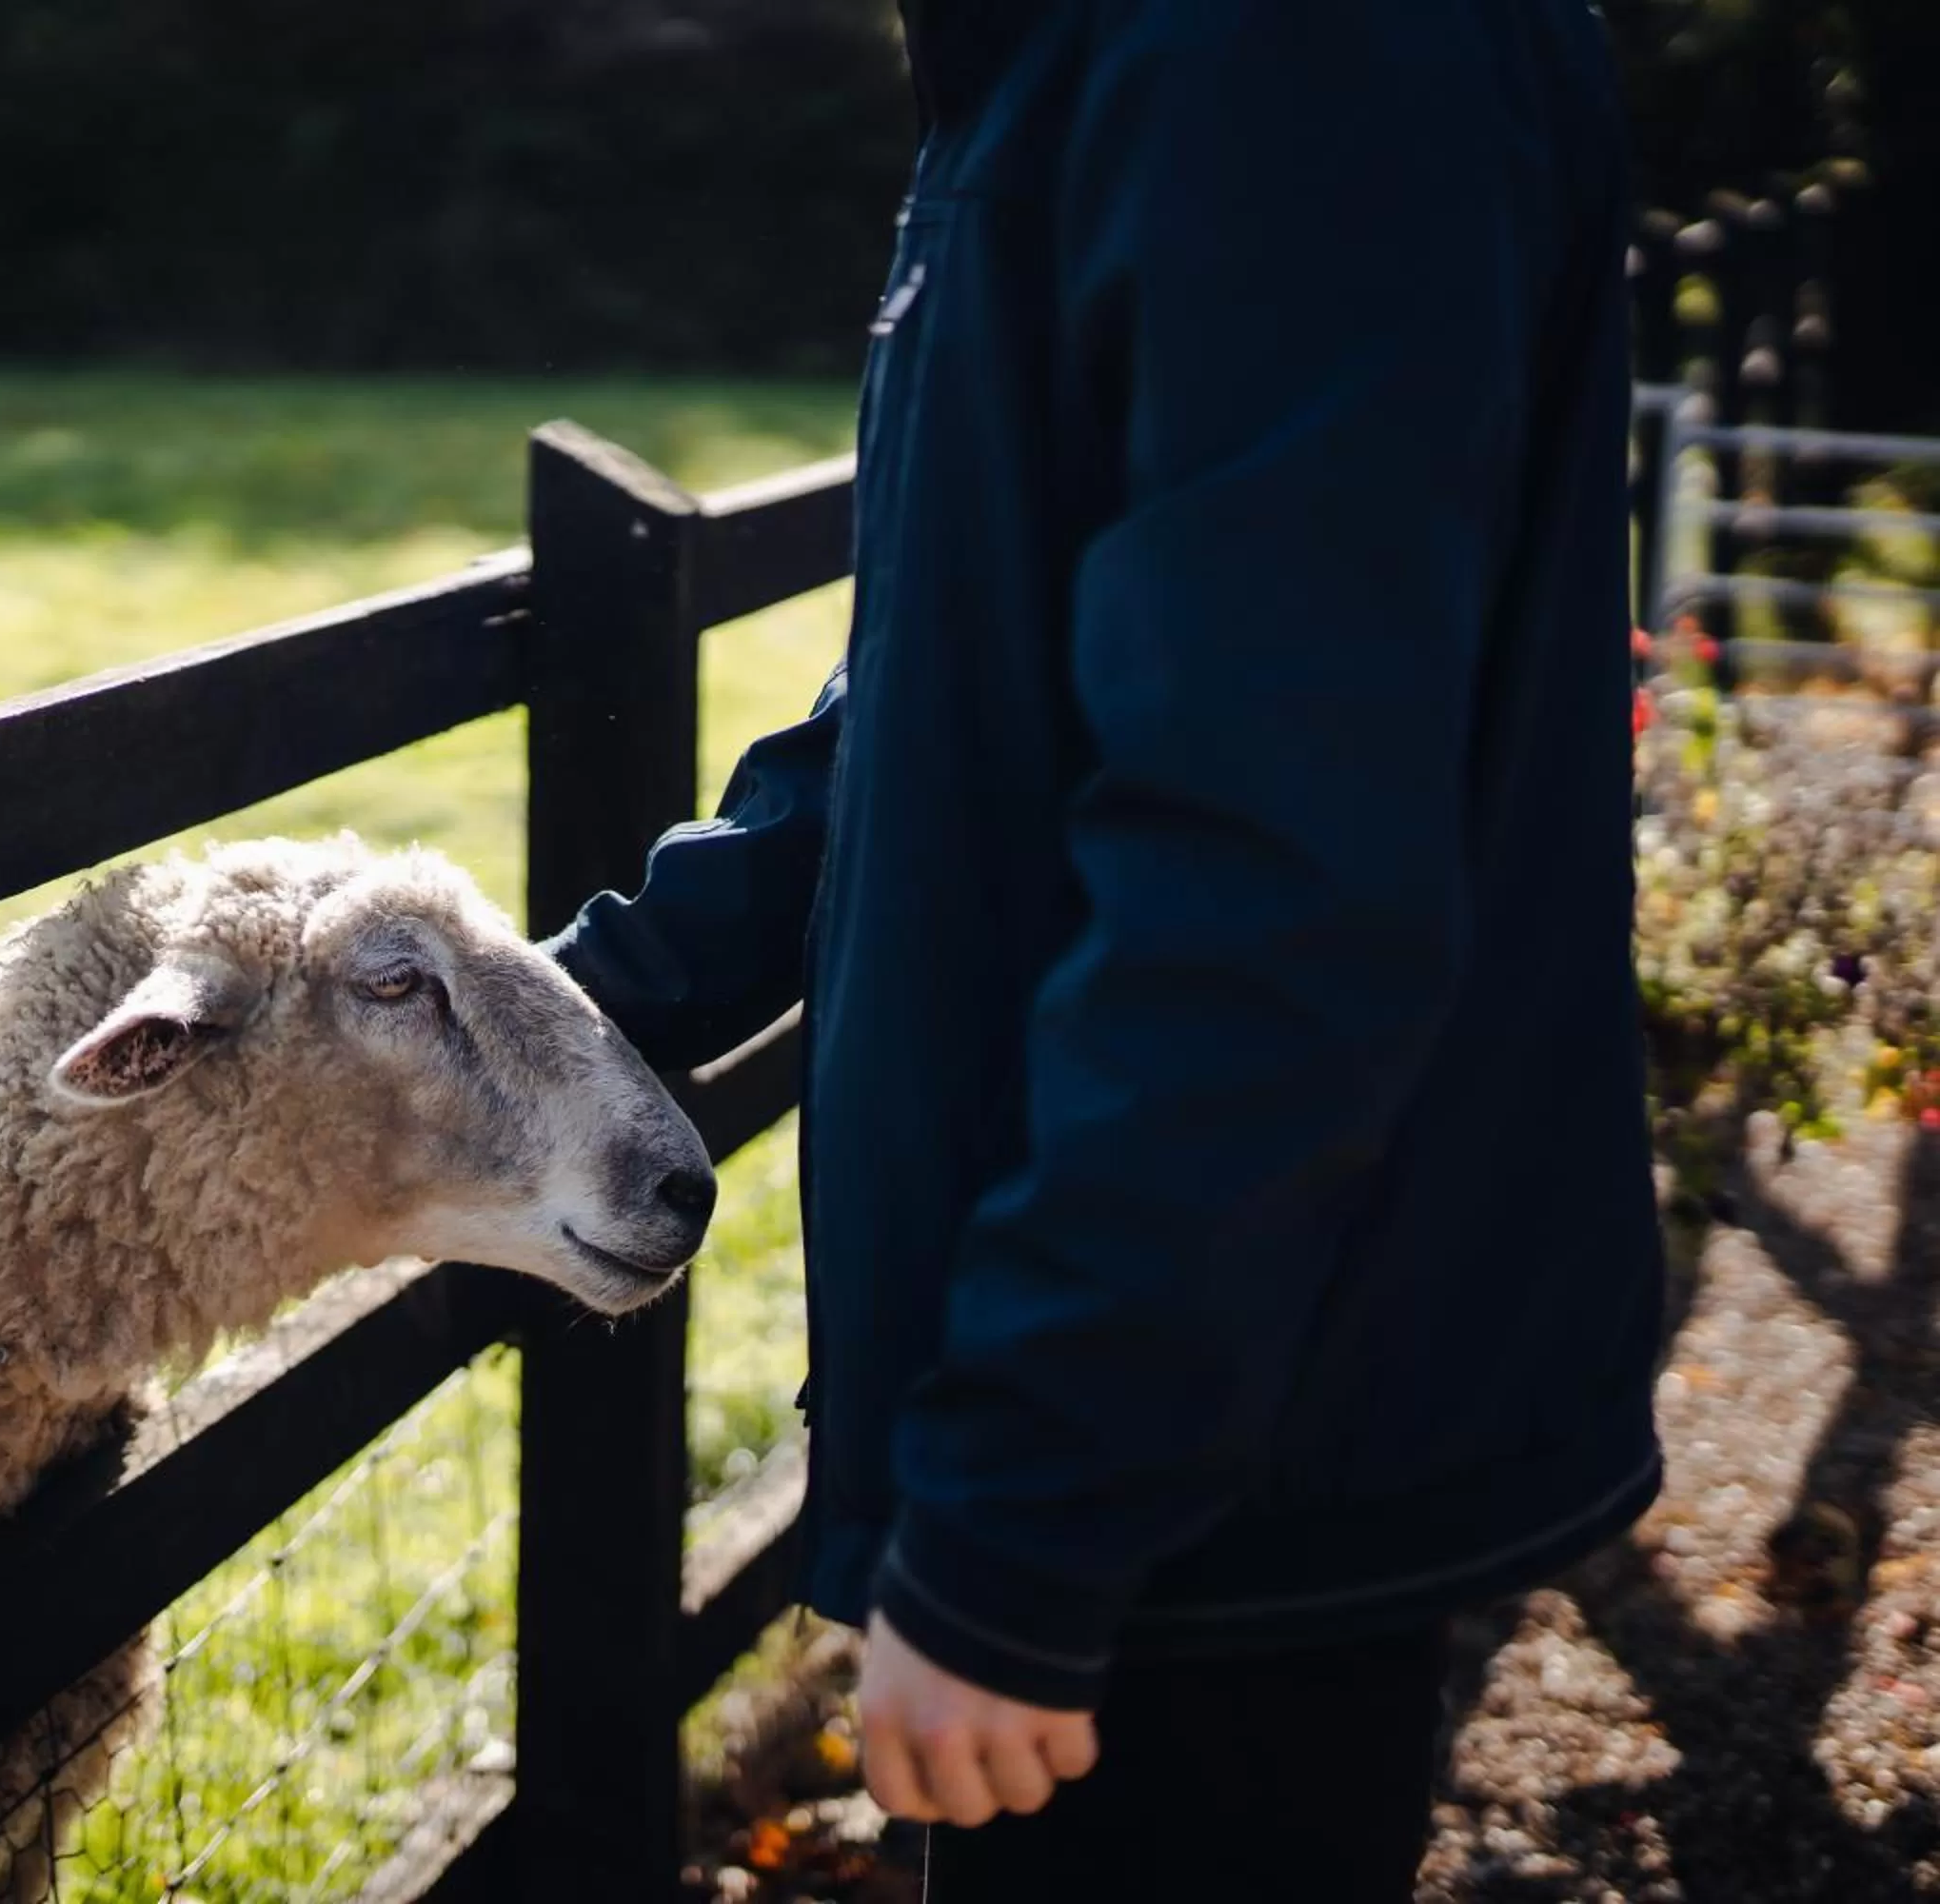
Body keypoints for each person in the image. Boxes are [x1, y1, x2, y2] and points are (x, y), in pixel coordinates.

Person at [544, 2, 1666, 1896]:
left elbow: (1275, 858)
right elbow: (962, 674)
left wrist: (1020, 1529)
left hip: (1206, 1478)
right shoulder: (1077, 56)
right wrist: (572, 1002)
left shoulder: (1285, 59)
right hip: (1176, 1425)